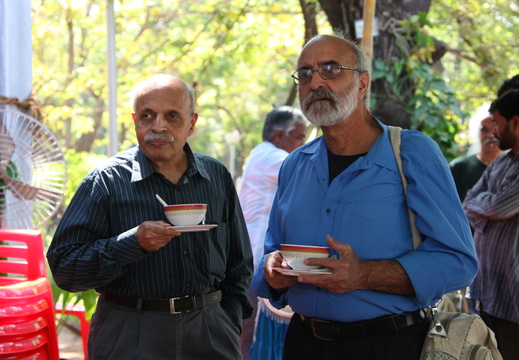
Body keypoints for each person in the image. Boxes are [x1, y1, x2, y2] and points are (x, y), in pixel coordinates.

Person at [252, 33, 478, 360]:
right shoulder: (294, 165)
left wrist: (364, 275)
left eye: (330, 69)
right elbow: (272, 251)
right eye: (304, 73)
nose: (315, 82)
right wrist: (271, 271)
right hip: (304, 342)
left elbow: (459, 262)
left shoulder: (412, 155)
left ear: (362, 83)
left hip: (388, 344)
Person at [47, 74, 253, 360]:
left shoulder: (215, 176)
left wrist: (227, 321)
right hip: (130, 331)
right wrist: (130, 244)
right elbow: (65, 268)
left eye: (172, 116)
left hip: (210, 331)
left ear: (192, 123)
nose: (159, 126)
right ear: (135, 121)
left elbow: (240, 263)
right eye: (147, 116)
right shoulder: (106, 181)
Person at [238, 106, 308, 360]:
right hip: (258, 258)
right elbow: (311, 171)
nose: (303, 144)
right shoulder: (272, 157)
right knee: (252, 331)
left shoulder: (262, 154)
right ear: (279, 136)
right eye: (300, 137)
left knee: (252, 330)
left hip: (254, 255)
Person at [463, 89, 519, 360]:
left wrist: (486, 206)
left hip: (513, 295)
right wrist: (489, 205)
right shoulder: (501, 164)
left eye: (497, 123)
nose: (493, 131)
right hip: (486, 291)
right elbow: (468, 203)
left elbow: (501, 207)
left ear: (516, 122)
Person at [450, 111, 503, 202]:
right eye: (484, 130)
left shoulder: (513, 168)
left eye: (495, 129)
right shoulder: (460, 167)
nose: (490, 135)